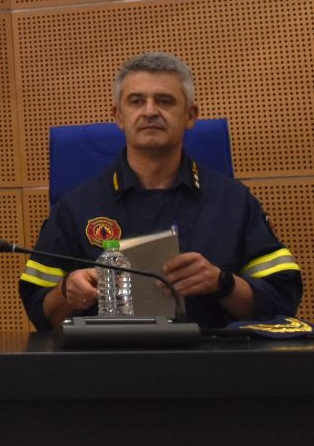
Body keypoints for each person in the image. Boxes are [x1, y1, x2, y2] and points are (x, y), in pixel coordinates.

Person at [19, 51, 301, 330]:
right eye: (136, 101)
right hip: (107, 357)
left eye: (165, 101)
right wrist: (67, 292)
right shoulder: (76, 207)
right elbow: (39, 311)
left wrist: (221, 283)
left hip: (212, 356)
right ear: (118, 116)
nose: (150, 111)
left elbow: (281, 302)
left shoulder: (233, 202)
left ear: (190, 115)